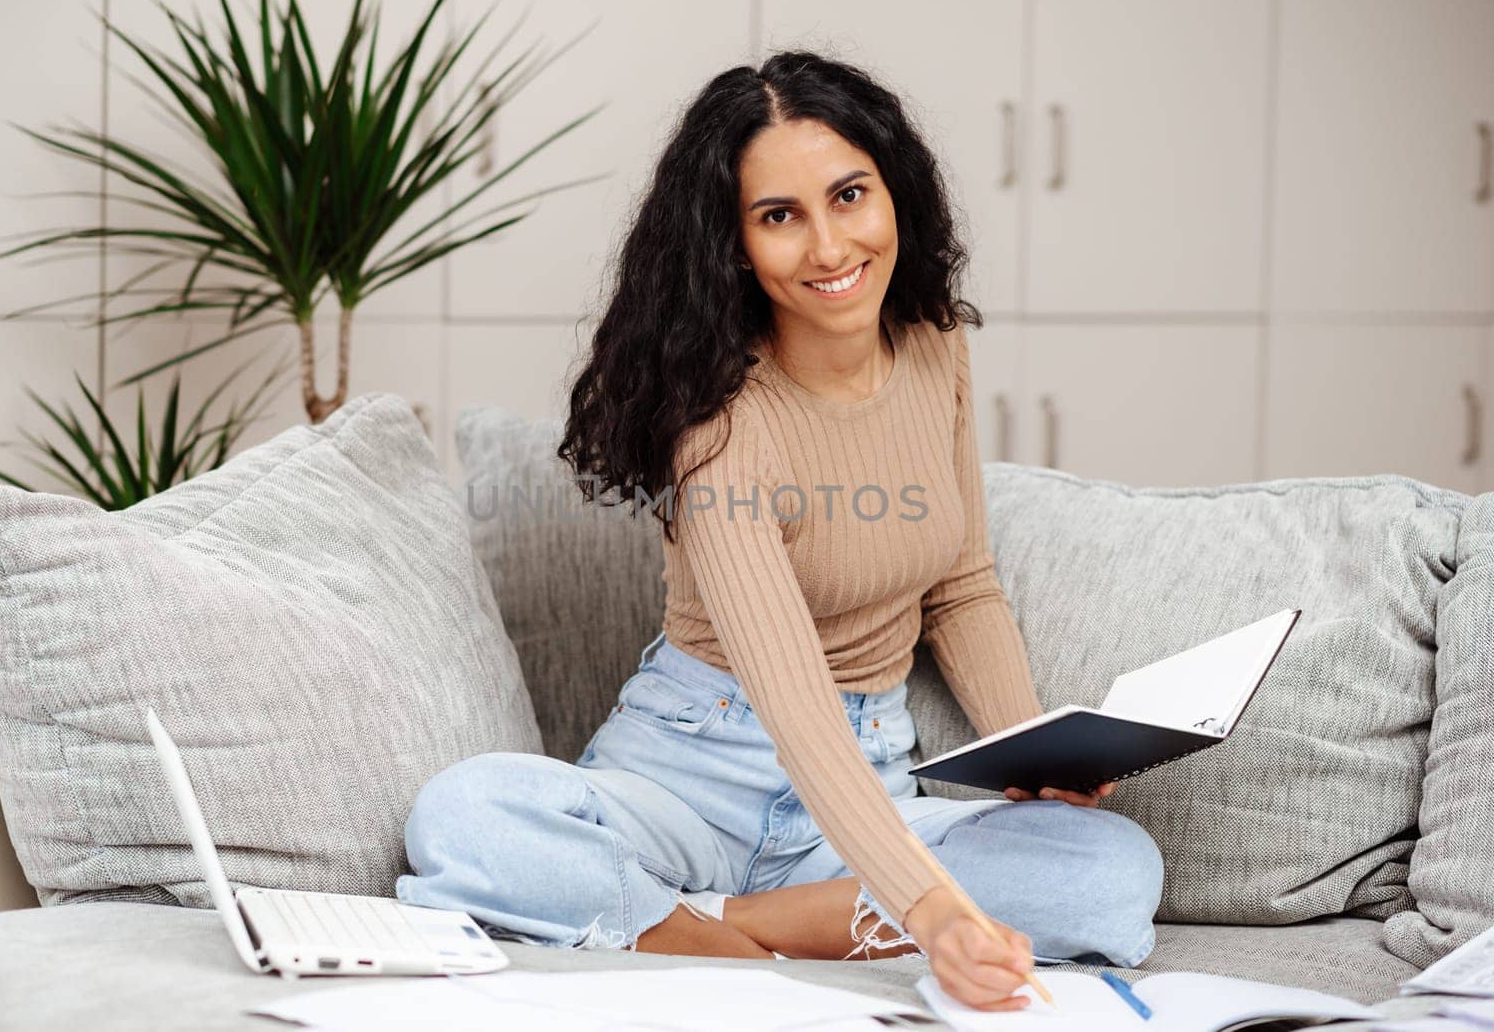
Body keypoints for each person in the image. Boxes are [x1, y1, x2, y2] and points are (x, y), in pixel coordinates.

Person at [397, 50, 1164, 1012]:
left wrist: (1035, 755)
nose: (831, 248)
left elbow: (961, 585)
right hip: (689, 776)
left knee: (1112, 871)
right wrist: (929, 915)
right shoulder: (718, 419)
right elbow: (793, 700)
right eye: (779, 217)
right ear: (733, 245)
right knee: (467, 814)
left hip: (863, 791)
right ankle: (752, 934)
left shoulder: (936, 349)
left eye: (850, 196)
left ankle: (704, 928)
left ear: (898, 193)